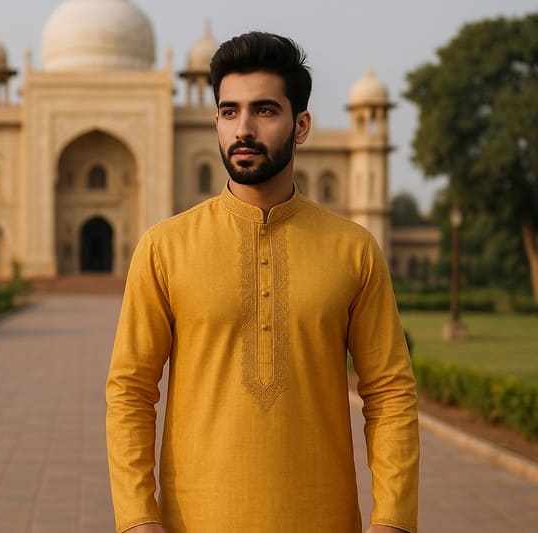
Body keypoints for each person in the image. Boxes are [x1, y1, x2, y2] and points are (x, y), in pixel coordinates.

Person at [105, 31, 419, 533]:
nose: (243, 129)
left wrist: (395, 519)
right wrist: (138, 517)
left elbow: (389, 393)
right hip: (196, 520)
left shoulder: (353, 249)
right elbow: (130, 392)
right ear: (215, 122)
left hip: (323, 519)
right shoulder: (165, 248)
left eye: (265, 111)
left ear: (301, 126)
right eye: (229, 112)